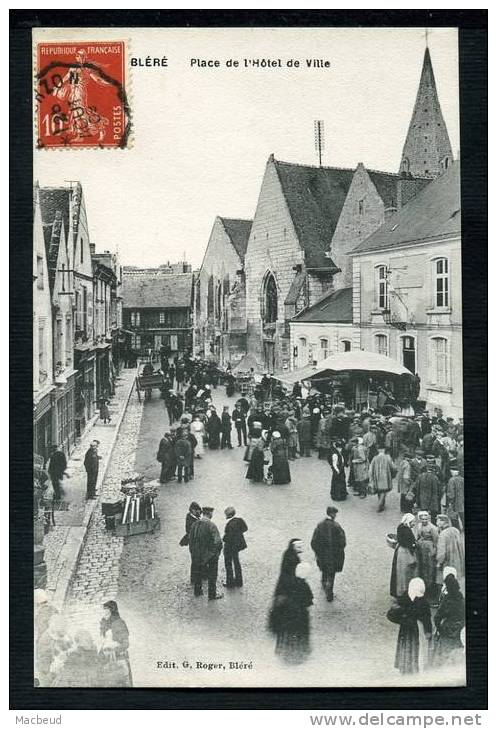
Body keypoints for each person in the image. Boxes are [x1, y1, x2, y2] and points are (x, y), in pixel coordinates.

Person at [268, 540, 313, 664]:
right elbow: (308, 600)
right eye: (299, 546)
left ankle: (284, 651)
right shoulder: (300, 581)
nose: (301, 548)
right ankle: (297, 653)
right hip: (296, 611)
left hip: (286, 602)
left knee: (286, 630)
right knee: (296, 631)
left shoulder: (287, 555)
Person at [389, 578, 432, 675]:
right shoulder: (423, 601)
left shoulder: (405, 597)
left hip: (406, 629)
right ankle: (414, 668)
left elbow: (393, 614)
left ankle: (404, 667)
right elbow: (427, 619)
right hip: (417, 630)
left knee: (405, 647)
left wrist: (402, 620)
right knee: (415, 648)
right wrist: (428, 631)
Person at [311, 506, 346, 602]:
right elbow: (342, 543)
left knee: (324, 569)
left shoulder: (320, 525)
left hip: (322, 555)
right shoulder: (337, 526)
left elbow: (313, 542)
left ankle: (323, 582)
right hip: (333, 557)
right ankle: (329, 593)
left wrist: (318, 552)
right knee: (331, 574)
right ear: (332, 514)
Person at [188, 506, 224, 600]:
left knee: (198, 572)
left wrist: (193, 552)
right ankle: (212, 595)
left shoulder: (195, 524)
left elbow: (190, 540)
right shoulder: (211, 525)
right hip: (210, 555)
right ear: (210, 514)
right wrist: (216, 554)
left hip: (197, 554)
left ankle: (198, 591)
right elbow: (218, 541)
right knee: (212, 575)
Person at [432, 573, 465, 667]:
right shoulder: (461, 599)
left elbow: (437, 618)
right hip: (459, 632)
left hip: (447, 632)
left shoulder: (447, 599)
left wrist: (440, 630)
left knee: (442, 659)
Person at [99, 600, 133, 686]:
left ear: (112, 610)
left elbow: (126, 643)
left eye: (106, 609)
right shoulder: (104, 623)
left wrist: (114, 651)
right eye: (104, 609)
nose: (104, 611)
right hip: (106, 659)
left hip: (119, 658)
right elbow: (103, 642)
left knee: (121, 682)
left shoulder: (119, 623)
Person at [36, 614, 72, 687]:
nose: (65, 631)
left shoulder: (63, 635)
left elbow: (69, 646)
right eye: (63, 628)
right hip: (51, 676)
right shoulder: (45, 641)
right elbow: (44, 670)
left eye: (65, 628)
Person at [390, 513, 418, 599]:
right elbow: (409, 543)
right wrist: (414, 545)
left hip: (400, 551)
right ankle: (404, 591)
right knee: (405, 572)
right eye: (413, 522)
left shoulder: (401, 527)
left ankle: (399, 591)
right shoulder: (407, 530)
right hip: (405, 553)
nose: (414, 524)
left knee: (399, 572)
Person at [435, 514, 465, 596]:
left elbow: (441, 553)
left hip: (447, 562)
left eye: (438, 521)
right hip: (457, 560)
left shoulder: (443, 534)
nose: (436, 523)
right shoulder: (456, 530)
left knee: (443, 581)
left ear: (443, 522)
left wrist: (439, 563)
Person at [415, 511, 439, 603]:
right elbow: (417, 536)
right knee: (421, 568)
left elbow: (436, 541)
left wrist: (434, 552)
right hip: (421, 548)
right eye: (422, 519)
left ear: (428, 518)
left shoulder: (433, 528)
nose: (424, 520)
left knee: (429, 569)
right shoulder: (419, 526)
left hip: (429, 549)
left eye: (426, 519)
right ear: (420, 519)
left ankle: (430, 591)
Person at [222, 507, 248, 588]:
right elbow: (245, 528)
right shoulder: (240, 520)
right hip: (237, 546)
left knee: (228, 563)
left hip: (229, 546)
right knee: (236, 562)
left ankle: (230, 582)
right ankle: (239, 581)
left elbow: (227, 537)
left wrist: (224, 539)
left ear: (228, 515)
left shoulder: (229, 524)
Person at [414, 456, 442, 525]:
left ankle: (423, 524)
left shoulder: (420, 476)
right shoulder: (435, 477)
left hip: (423, 498)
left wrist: (417, 499)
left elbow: (416, 488)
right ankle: (433, 525)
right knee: (433, 515)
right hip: (433, 498)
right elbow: (439, 488)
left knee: (424, 512)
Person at [369, 445, 396, 512]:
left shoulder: (374, 458)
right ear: (384, 450)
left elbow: (370, 469)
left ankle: (382, 504)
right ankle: (380, 505)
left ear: (378, 450)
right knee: (384, 491)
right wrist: (393, 475)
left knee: (379, 491)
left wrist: (371, 478)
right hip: (385, 478)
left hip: (377, 478)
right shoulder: (388, 457)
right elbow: (393, 467)